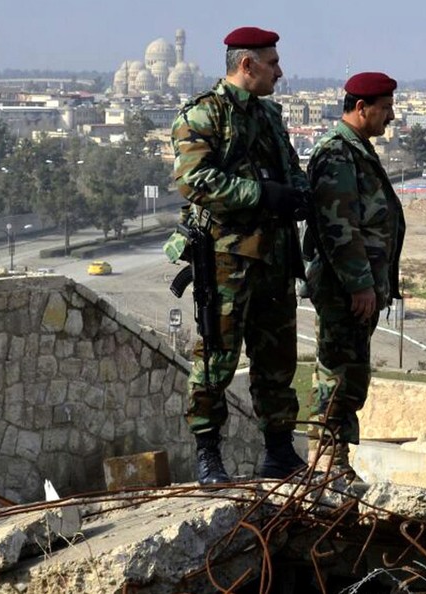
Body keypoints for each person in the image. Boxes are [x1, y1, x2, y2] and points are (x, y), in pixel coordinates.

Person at [170, 26, 308, 485]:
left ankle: (279, 451)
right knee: (216, 358)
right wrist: (262, 195)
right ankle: (208, 453)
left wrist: (299, 195)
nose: (280, 72)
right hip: (228, 260)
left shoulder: (268, 117)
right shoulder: (204, 115)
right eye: (272, 63)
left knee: (277, 358)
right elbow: (195, 181)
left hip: (273, 258)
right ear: (246, 65)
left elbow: (290, 169)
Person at [303, 72, 406, 479]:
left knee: (351, 375)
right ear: (361, 108)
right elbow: (338, 226)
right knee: (335, 374)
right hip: (344, 289)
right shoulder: (336, 153)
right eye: (385, 108)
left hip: (358, 289)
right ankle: (326, 462)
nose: (391, 117)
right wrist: (360, 284)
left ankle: (337, 462)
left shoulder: (356, 149)